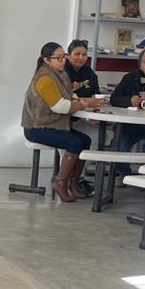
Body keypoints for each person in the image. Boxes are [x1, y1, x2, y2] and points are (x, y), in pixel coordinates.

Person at [21, 41, 105, 202]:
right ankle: (60, 183)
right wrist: (84, 104)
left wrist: (80, 101)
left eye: (63, 57)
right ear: (46, 60)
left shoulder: (60, 74)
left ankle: (74, 183)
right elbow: (60, 106)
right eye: (58, 58)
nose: (62, 61)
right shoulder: (45, 78)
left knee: (85, 140)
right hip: (37, 128)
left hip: (54, 125)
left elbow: (70, 96)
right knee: (75, 143)